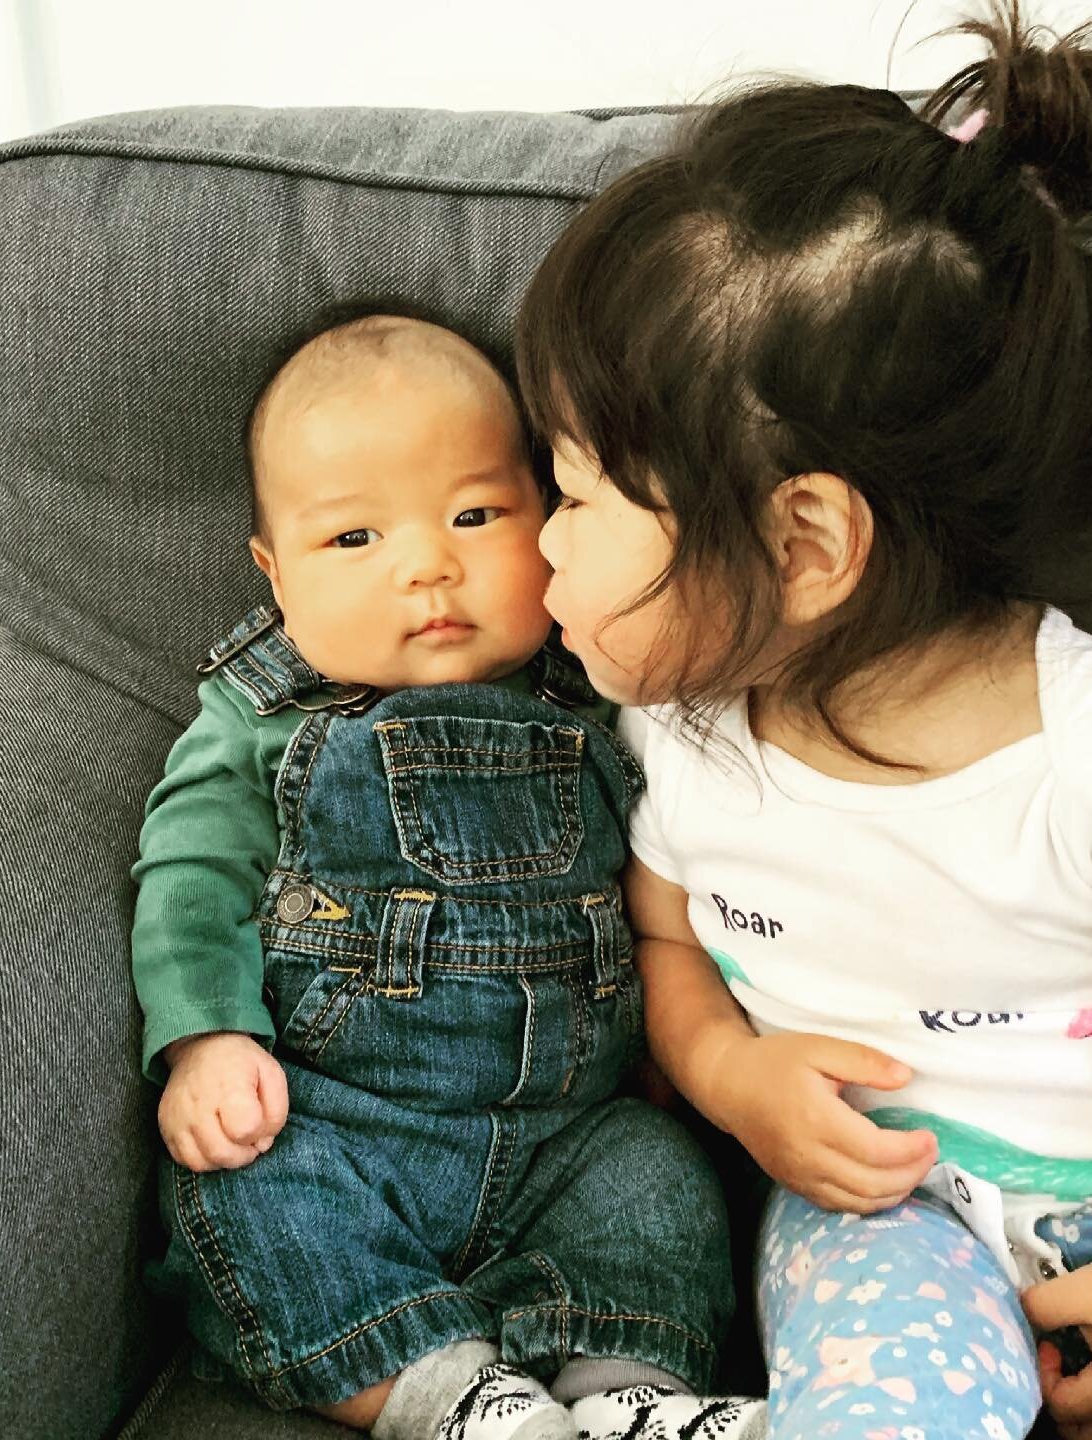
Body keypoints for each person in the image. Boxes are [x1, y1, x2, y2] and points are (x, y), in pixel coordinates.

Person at [512, 5, 1092, 1439]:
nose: (539, 550)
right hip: (899, 1220)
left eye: (578, 494)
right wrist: (730, 1072)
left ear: (806, 544)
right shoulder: (686, 740)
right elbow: (663, 936)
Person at [129, 311, 736, 1439]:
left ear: (550, 521)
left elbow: (671, 880)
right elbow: (191, 870)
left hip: (570, 1130)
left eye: (474, 515)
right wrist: (207, 1035)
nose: (426, 566)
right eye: (353, 541)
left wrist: (666, 1037)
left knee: (657, 1177)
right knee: (239, 1186)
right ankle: (445, 1397)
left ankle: (622, 1394)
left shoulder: (599, 684)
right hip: (341, 1121)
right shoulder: (264, 713)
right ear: (274, 572)